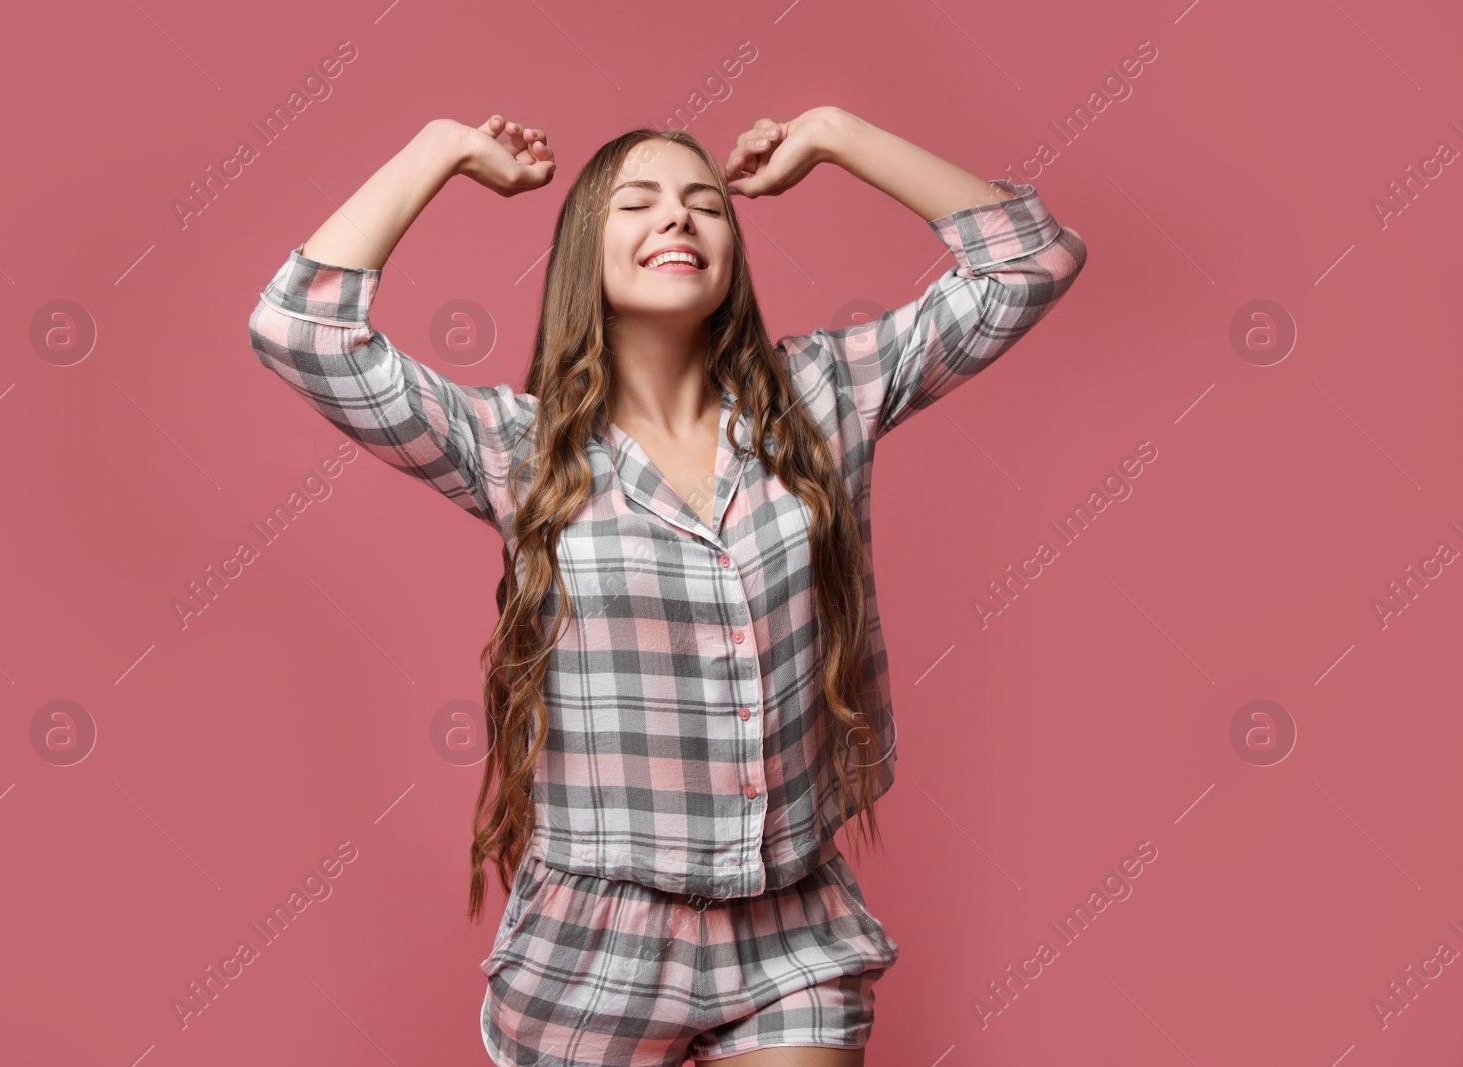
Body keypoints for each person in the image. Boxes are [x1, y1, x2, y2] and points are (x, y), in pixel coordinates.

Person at [248, 108, 1087, 1067]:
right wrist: (439, 148)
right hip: (593, 944)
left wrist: (840, 135)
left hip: (790, 925)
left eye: (707, 206)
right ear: (583, 256)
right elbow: (299, 328)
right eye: (638, 204)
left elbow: (1032, 262)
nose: (679, 221)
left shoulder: (824, 394)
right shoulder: (516, 448)